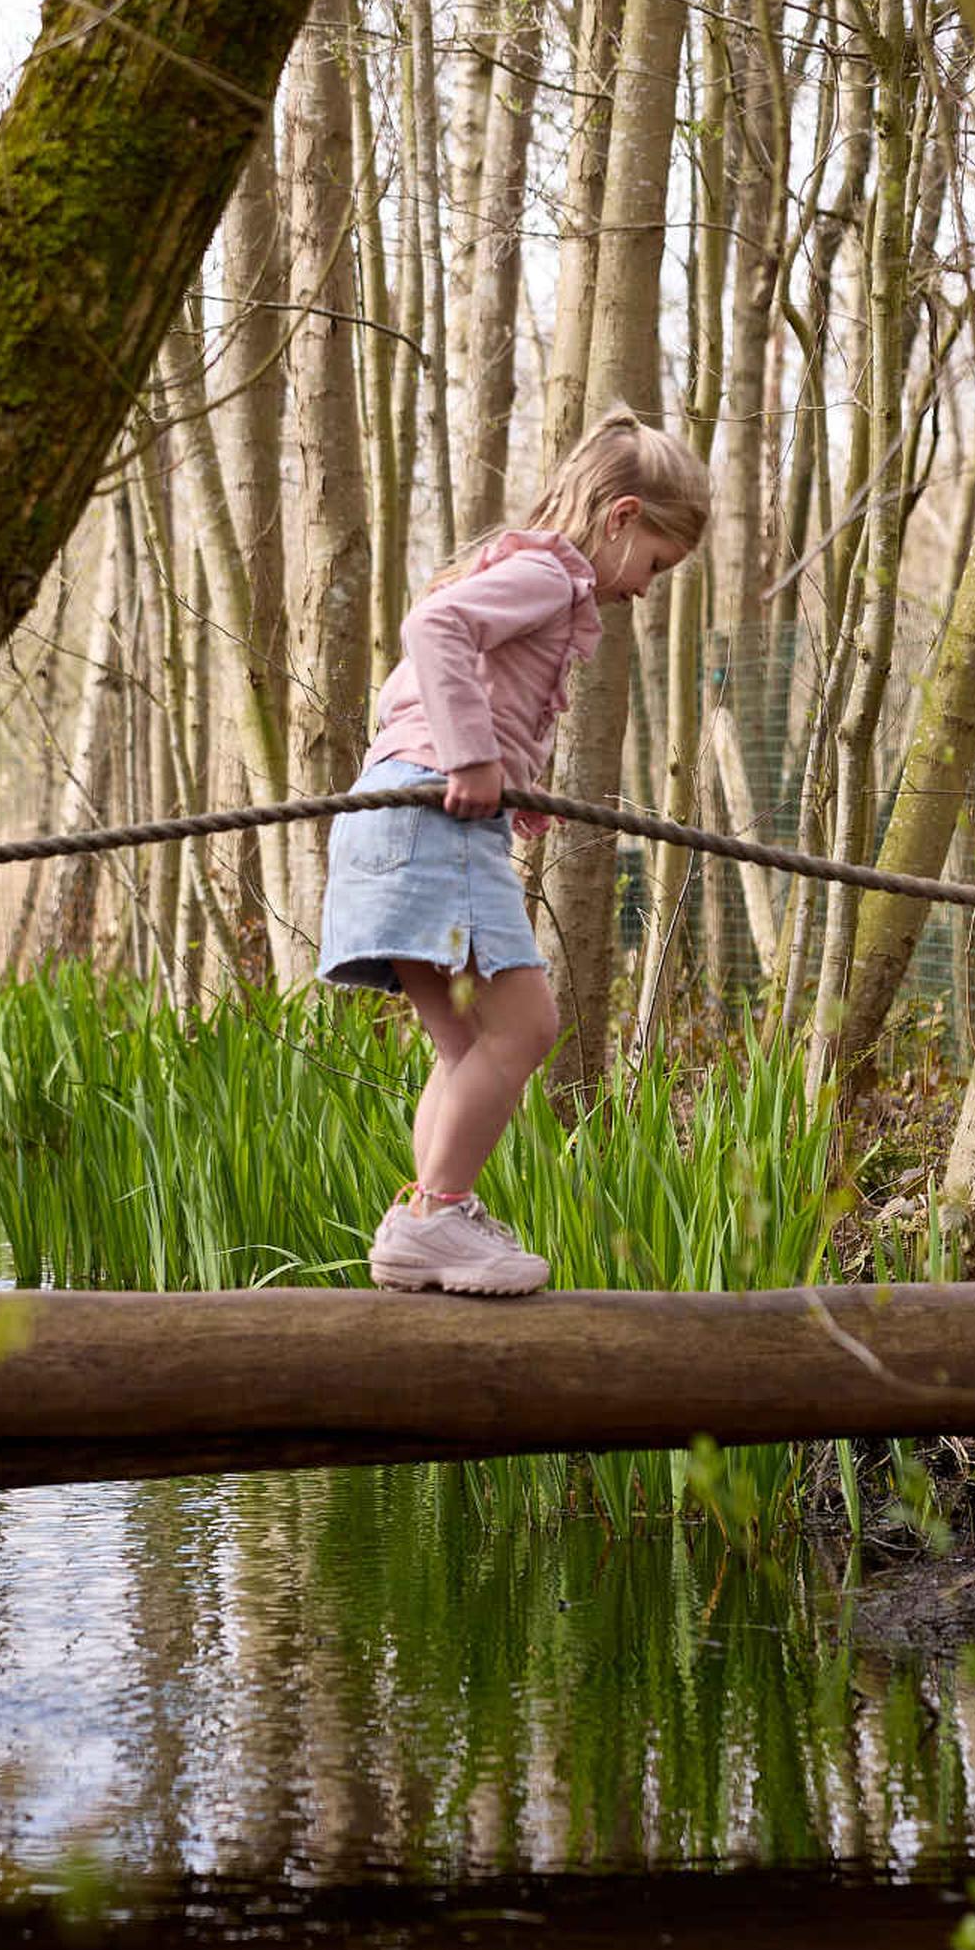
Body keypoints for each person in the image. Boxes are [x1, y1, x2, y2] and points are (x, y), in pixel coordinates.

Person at [317, 406, 709, 1294]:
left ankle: (424, 1222)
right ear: (622, 517)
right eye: (655, 564)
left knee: (465, 1047)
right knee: (527, 1027)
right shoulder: (546, 575)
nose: (648, 589)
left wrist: (509, 784)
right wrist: (470, 758)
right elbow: (435, 630)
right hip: (431, 817)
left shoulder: (523, 571)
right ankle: (438, 1217)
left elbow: (454, 682)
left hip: (395, 812)